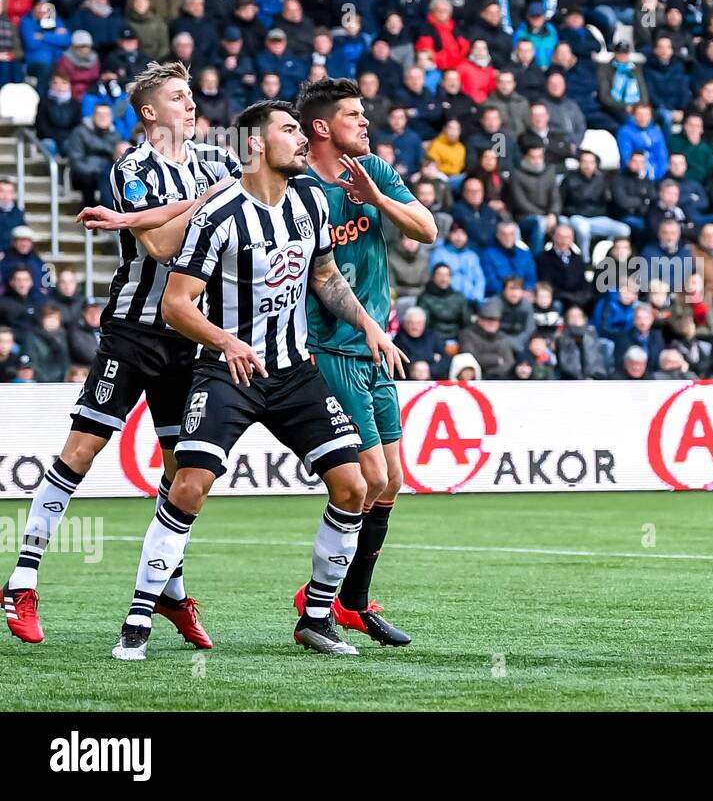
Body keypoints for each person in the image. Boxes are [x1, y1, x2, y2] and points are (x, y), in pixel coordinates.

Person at [111, 98, 402, 661]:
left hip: (294, 373)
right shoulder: (217, 214)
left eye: (299, 128)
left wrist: (369, 325)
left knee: (354, 486)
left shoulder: (311, 202)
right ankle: (138, 619)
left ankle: (317, 618)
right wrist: (225, 340)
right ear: (255, 144)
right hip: (227, 371)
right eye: (288, 130)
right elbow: (177, 304)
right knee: (190, 485)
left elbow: (324, 274)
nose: (299, 139)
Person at [5, 62, 239, 646]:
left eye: (191, 95)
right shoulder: (132, 169)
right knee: (81, 450)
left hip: (190, 335)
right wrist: (205, 202)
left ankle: (171, 592)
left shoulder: (218, 161)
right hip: (133, 333)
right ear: (149, 113)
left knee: (182, 471)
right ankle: (22, 579)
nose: (191, 105)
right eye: (178, 98)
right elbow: (160, 246)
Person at [292, 77, 437, 646]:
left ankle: (353, 601)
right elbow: (319, 276)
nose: (366, 123)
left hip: (379, 350)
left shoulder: (373, 170)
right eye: (354, 115)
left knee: (392, 481)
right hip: (330, 349)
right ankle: (317, 603)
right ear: (322, 128)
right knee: (367, 477)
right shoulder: (300, 190)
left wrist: (377, 199)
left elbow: (426, 229)